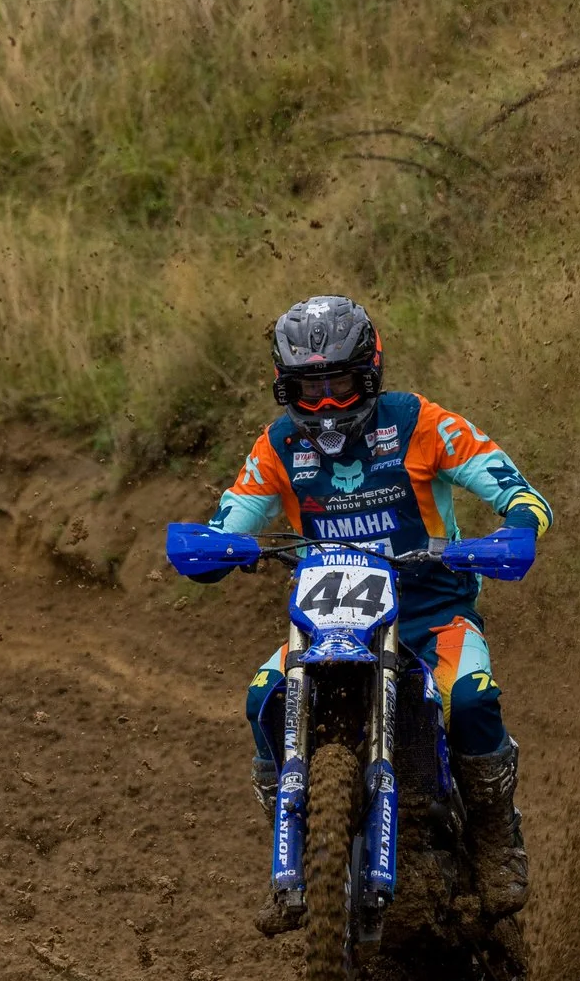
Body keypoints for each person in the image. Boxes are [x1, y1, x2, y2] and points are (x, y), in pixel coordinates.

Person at [201, 295, 552, 933]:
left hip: (430, 615)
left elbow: (511, 484)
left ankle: (499, 838)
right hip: (325, 620)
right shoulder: (278, 445)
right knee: (263, 698)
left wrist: (518, 525)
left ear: (371, 374)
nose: (328, 403)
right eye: (310, 389)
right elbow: (234, 513)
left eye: (340, 383)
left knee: (470, 699)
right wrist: (215, 545)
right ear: (286, 389)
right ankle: (293, 851)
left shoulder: (418, 421)